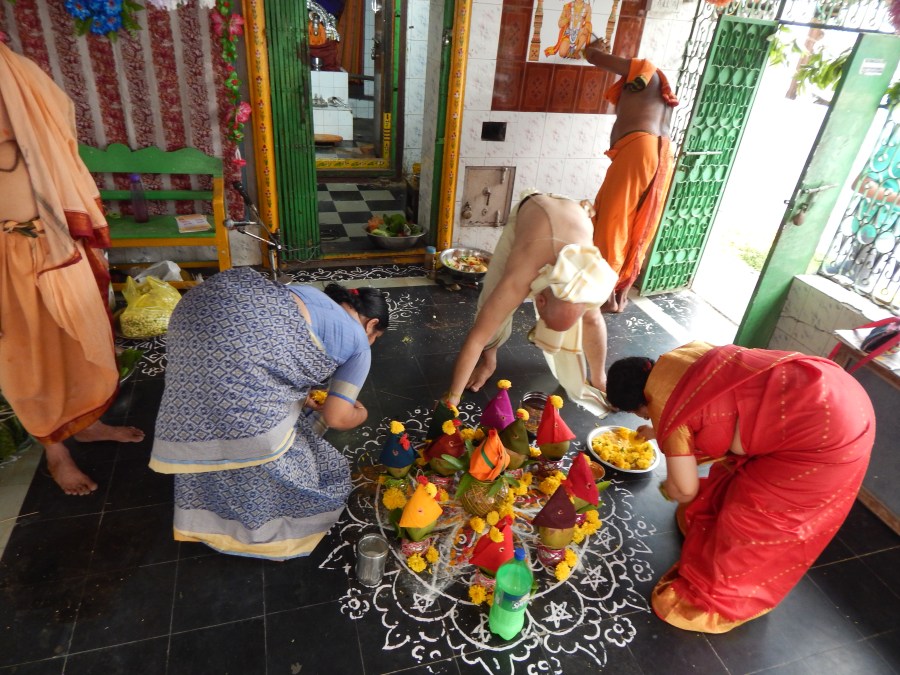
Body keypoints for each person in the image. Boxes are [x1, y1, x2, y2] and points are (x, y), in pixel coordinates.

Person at [605, 341, 875, 633]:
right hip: (833, 390)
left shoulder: (669, 410)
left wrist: (669, 487)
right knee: (730, 478)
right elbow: (700, 404)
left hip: (823, 441)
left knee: (751, 520)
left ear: (642, 403)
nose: (651, 418)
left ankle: (718, 601)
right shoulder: (682, 357)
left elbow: (685, 489)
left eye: (646, 415)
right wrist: (657, 430)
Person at [149, 268, 389, 560]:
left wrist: (301, 396)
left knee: (208, 401)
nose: (371, 342)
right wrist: (360, 413)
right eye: (376, 337)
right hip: (233, 367)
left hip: (195, 311)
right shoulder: (359, 343)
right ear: (371, 324)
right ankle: (254, 530)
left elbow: (265, 347)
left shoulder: (311, 295)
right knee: (267, 443)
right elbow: (337, 417)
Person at [0, 41, 144, 496]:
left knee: (83, 340)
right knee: (30, 358)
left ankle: (87, 425)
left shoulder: (20, 74)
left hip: (57, 241)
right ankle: (56, 453)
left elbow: (57, 145)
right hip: (7, 256)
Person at [445, 191, 618, 417]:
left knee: (593, 317)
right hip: (532, 209)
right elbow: (477, 338)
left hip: (572, 212)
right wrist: (453, 398)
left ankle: (598, 377)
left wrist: (600, 378)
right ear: (539, 300)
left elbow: (593, 322)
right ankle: (489, 362)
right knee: (490, 307)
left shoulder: (587, 280)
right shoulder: (519, 278)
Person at [583, 41, 679, 312]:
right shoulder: (656, 88)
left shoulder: (647, 70)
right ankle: (620, 293)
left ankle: (605, 295)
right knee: (641, 224)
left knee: (613, 220)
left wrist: (592, 48)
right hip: (662, 153)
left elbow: (595, 57)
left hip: (640, 151)